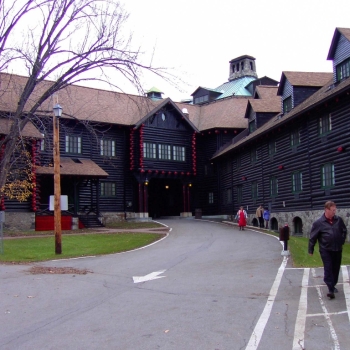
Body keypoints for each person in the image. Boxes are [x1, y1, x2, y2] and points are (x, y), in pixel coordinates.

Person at [308, 201, 347, 300]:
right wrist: (311, 249)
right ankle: (330, 289)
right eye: (333, 210)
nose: (335, 212)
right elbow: (313, 237)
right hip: (326, 250)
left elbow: (344, 231)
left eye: (335, 210)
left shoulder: (338, 220)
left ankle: (332, 284)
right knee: (328, 267)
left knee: (335, 268)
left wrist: (342, 240)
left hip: (337, 248)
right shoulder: (319, 223)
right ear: (326, 210)